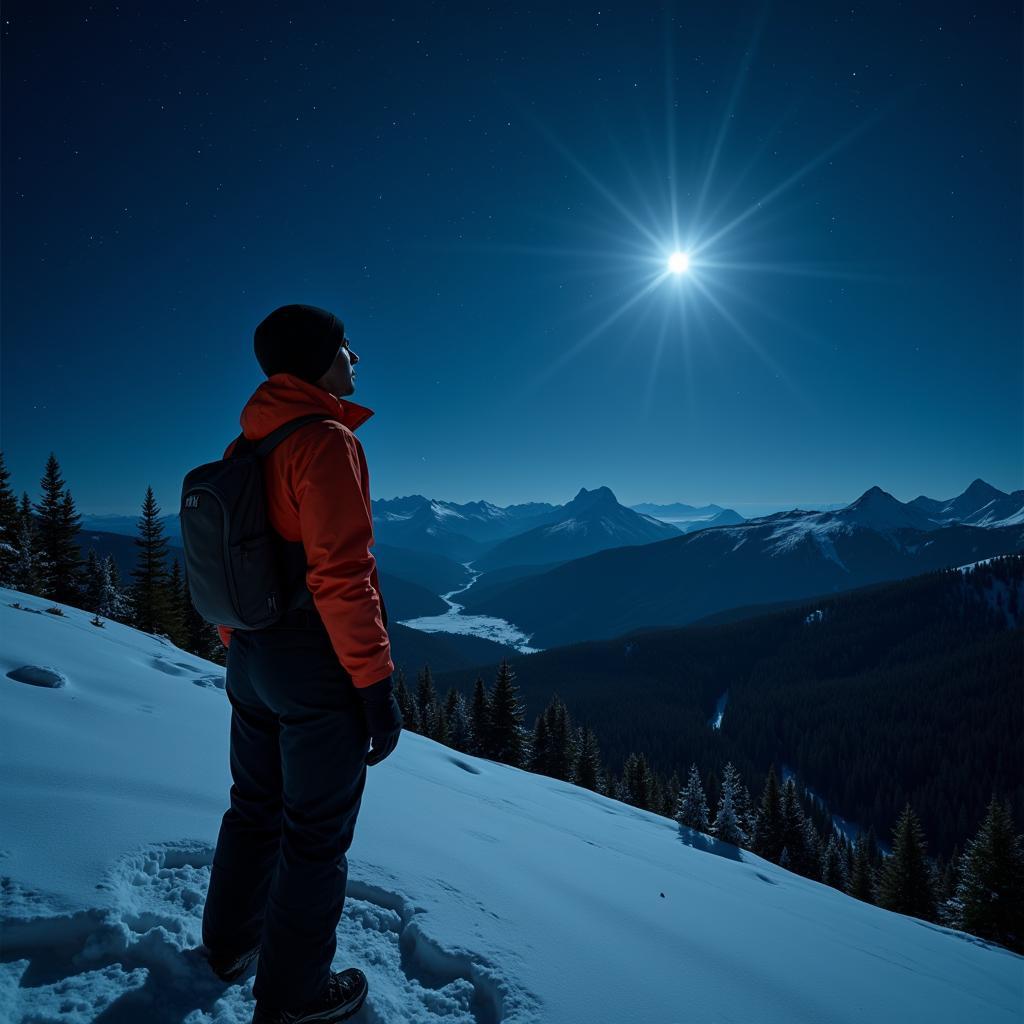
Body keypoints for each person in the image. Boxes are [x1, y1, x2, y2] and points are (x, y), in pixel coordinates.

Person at [199, 303, 403, 1024]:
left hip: (249, 655)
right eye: (348, 346)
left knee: (253, 810)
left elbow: (227, 560)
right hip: (313, 664)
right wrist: (375, 685)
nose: (357, 358)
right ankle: (293, 1001)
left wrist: (238, 645)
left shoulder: (243, 448)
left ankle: (227, 946)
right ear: (319, 358)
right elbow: (343, 573)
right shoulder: (322, 441)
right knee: (314, 839)